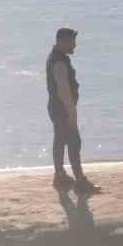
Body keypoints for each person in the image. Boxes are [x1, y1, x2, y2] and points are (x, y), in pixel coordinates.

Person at [48, 27, 97, 194]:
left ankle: (60, 176)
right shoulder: (59, 62)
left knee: (60, 141)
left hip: (56, 107)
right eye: (72, 42)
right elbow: (63, 88)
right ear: (62, 41)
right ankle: (80, 182)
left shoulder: (56, 58)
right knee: (74, 142)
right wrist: (71, 112)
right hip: (63, 109)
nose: (74, 45)